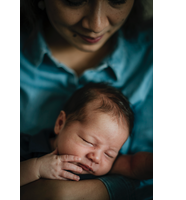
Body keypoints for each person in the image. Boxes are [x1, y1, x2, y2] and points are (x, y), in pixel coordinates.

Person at [20, 0, 153, 199]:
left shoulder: (100, 163)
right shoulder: (29, 147)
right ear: (60, 123)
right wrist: (37, 168)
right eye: (74, 1)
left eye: (117, 0)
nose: (96, 24)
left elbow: (135, 167)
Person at [20, 82, 153, 187]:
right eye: (88, 141)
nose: (96, 158)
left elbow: (133, 165)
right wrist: (36, 168)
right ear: (60, 123)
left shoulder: (100, 168)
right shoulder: (26, 147)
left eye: (109, 154)